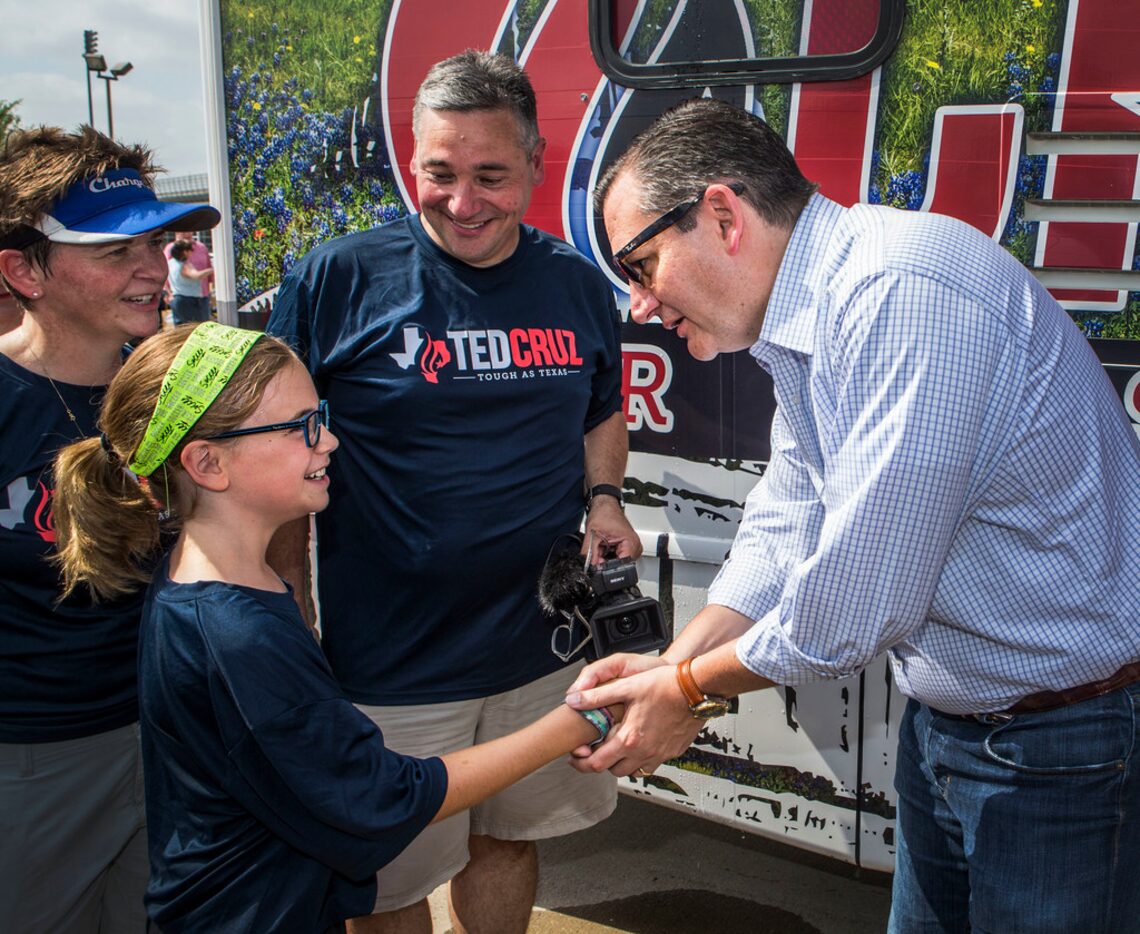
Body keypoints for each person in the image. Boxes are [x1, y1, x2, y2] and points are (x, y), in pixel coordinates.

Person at [565, 97, 1140, 934]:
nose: (640, 305)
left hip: (1059, 748)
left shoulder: (897, 294)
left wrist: (684, 692)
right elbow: (787, 519)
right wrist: (673, 665)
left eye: (640, 264)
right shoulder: (816, 313)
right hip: (954, 724)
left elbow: (855, 607)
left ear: (722, 214)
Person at [51, 321, 624, 933]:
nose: (328, 441)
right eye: (301, 427)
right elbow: (382, 799)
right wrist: (579, 721)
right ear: (207, 462)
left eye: (319, 415)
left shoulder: (216, 586)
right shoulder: (234, 635)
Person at [267, 49, 638, 933]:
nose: (462, 202)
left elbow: (602, 412)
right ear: (412, 158)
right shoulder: (336, 280)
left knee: (508, 843)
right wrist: (294, 617)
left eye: (490, 175)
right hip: (390, 664)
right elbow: (273, 461)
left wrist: (605, 498)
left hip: (538, 650)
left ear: (539, 165)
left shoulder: (577, 286)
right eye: (439, 172)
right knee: (389, 883)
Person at [0, 125, 221, 932]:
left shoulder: (180, 391)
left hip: (170, 732)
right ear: (24, 268)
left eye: (158, 243)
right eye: (112, 249)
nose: (151, 267)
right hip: (32, 762)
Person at [166, 237, 214, 323]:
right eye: (191, 250)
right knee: (196, 329)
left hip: (177, 299)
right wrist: (213, 269)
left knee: (181, 330)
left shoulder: (170, 263)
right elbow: (196, 276)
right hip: (189, 301)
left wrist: (168, 293)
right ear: (185, 252)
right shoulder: (184, 266)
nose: (192, 252)